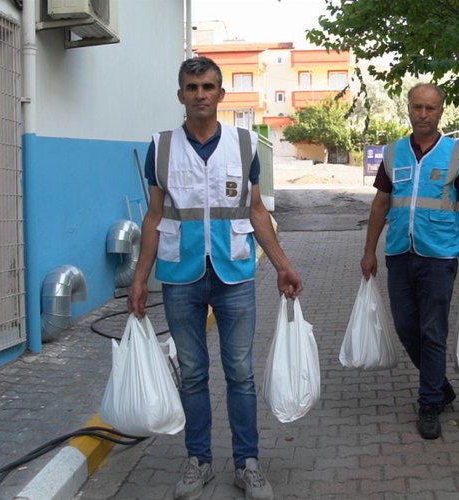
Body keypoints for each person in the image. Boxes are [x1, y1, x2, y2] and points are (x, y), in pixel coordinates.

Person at [128, 56, 302, 500]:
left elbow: (256, 210)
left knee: (240, 373)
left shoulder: (245, 145)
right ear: (180, 94)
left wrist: (282, 264)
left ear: (221, 95)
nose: (200, 94)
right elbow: (153, 215)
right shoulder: (161, 146)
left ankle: (247, 463)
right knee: (192, 373)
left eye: (208, 86)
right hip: (181, 276)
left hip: (234, 276)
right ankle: (198, 461)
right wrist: (139, 278)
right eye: (192, 86)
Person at [360, 83, 459, 440]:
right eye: (417, 107)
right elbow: (381, 204)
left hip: (439, 256)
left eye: (430, 108)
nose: (423, 114)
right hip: (399, 253)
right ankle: (440, 385)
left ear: (441, 112)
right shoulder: (393, 153)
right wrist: (369, 251)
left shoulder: (457, 154)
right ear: (409, 109)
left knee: (432, 331)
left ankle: (429, 402)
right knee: (405, 327)